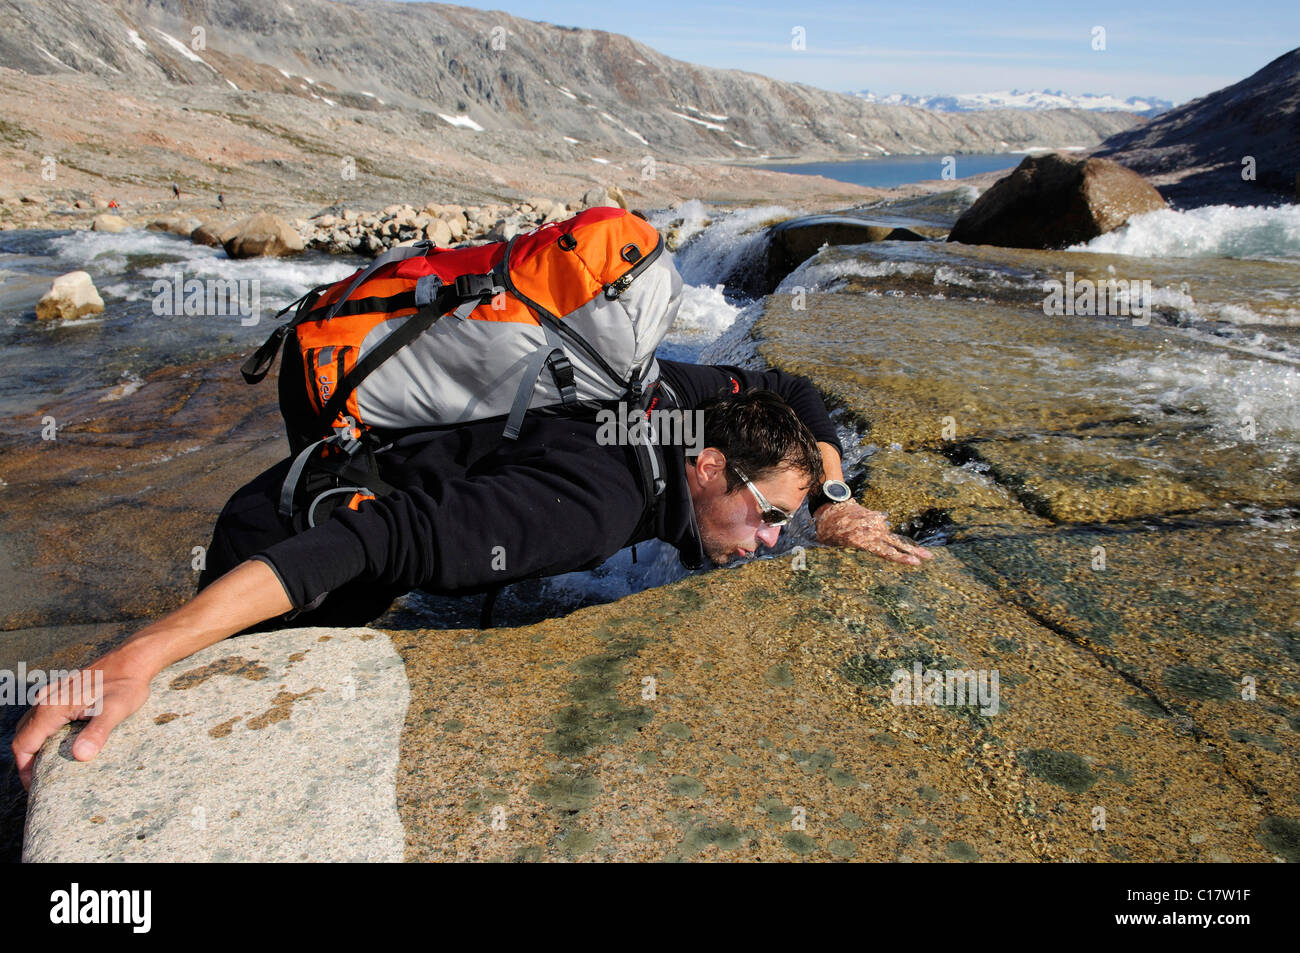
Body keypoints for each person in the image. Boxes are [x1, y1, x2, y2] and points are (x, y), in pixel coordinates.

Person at [12, 359, 931, 788]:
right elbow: (373, 544)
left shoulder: (681, 404)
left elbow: (794, 390)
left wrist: (830, 497)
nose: (772, 541)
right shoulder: (590, 504)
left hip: (355, 484)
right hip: (293, 532)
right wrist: (146, 646)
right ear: (704, 468)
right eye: (767, 518)